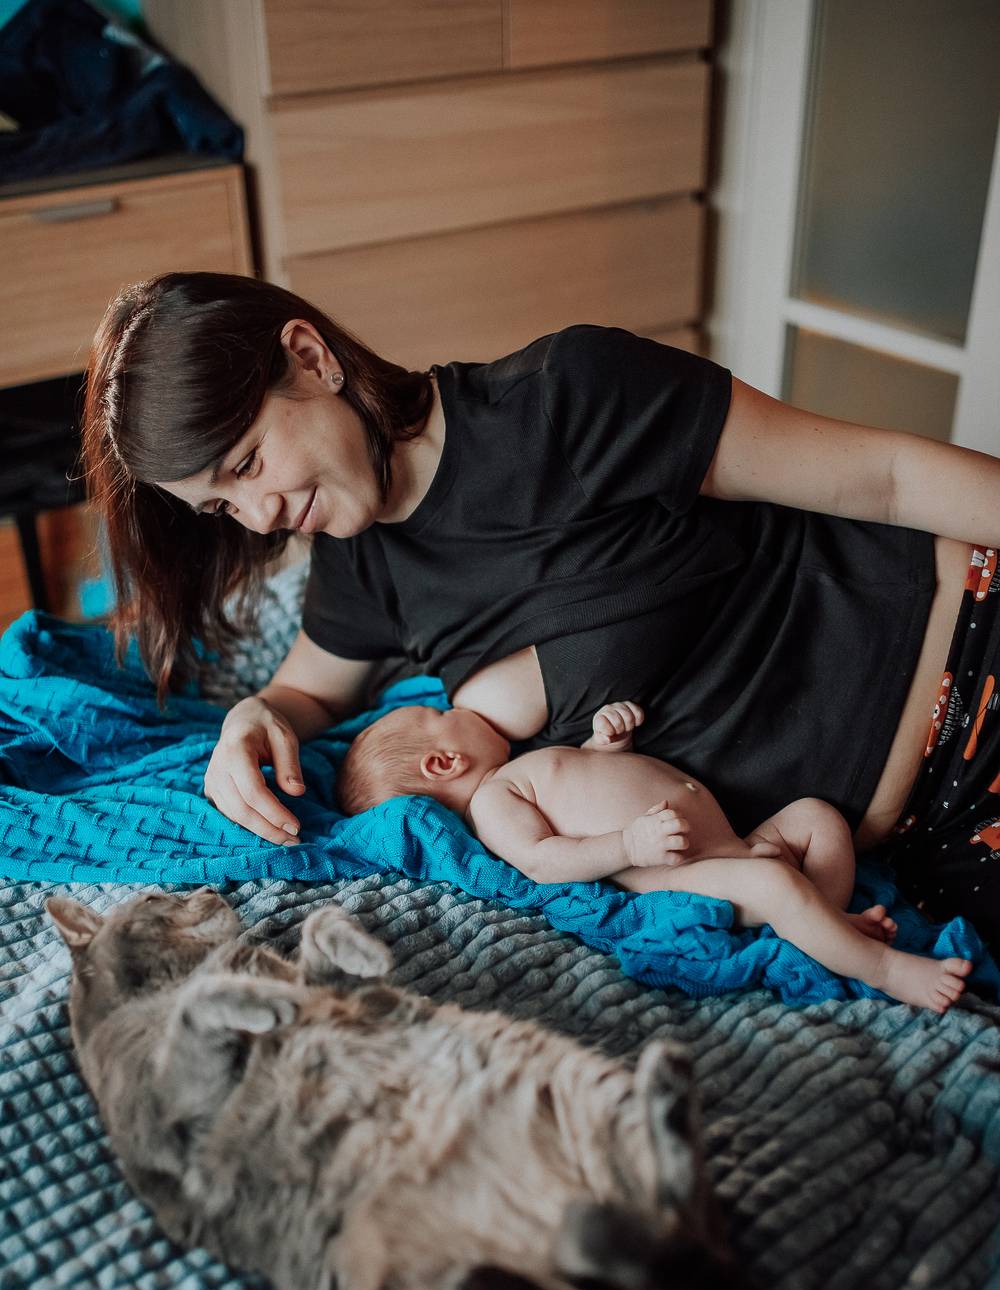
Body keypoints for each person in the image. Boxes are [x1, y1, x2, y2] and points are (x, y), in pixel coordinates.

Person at [81, 272, 1000, 951]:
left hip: (971, 659)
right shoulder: (358, 561)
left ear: (312, 359)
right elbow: (306, 695)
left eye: (247, 465)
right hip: (906, 850)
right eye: (223, 507)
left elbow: (884, 479)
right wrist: (250, 718)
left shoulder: (569, 395)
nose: (261, 518)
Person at [335, 697, 972, 1013]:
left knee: (817, 818)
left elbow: (589, 783)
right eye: (441, 712)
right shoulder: (493, 805)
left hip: (735, 845)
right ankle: (884, 969)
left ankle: (823, 927)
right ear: (444, 762)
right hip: (687, 871)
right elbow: (545, 860)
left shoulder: (522, 769)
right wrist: (627, 846)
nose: (457, 706)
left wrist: (604, 743)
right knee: (780, 889)